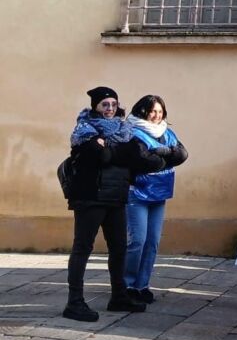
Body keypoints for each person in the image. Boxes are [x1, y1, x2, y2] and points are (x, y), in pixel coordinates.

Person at [64, 87, 158, 322]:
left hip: (116, 197)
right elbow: (102, 156)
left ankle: (119, 296)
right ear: (95, 106)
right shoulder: (84, 130)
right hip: (90, 197)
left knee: (119, 248)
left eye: (114, 104)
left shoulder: (123, 130)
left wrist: (109, 147)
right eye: (105, 104)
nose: (110, 109)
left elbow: (135, 155)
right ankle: (74, 302)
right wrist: (117, 151)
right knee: (82, 248)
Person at [124, 95, 189, 305]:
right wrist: (167, 156)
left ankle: (142, 285)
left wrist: (162, 152)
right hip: (137, 193)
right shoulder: (132, 132)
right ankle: (127, 285)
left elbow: (182, 155)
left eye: (160, 111)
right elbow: (144, 160)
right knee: (137, 241)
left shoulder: (166, 132)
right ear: (143, 111)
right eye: (153, 111)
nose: (157, 115)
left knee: (153, 241)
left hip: (159, 194)